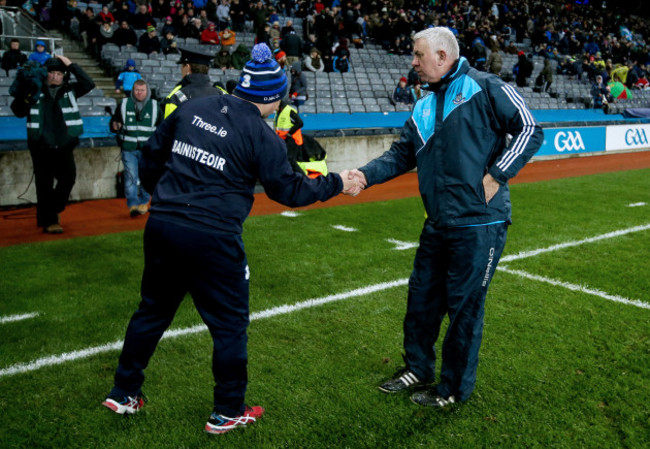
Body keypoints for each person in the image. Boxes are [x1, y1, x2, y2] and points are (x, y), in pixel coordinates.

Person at [102, 43, 359, 434]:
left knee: (152, 311)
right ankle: (227, 410)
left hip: (164, 225)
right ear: (272, 97)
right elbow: (288, 191)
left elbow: (152, 157)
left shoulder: (191, 107)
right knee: (229, 326)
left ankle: (123, 392)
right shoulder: (261, 134)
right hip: (213, 237)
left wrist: (165, 198)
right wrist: (338, 182)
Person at [345, 27, 543, 408]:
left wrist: (497, 174)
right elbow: (401, 154)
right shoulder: (422, 104)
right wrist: (365, 175)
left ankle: (452, 390)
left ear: (442, 55)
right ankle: (417, 368)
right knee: (421, 301)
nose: (413, 62)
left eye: (418, 55)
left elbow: (529, 129)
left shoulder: (485, 87)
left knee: (464, 311)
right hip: (438, 223)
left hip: (479, 224)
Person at [10, 55, 95, 234]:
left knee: (68, 179)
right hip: (40, 146)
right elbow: (17, 110)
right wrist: (27, 96)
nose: (55, 76)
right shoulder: (34, 90)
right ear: (44, 74)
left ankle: (49, 211)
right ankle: (49, 221)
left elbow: (89, 83)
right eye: (52, 73)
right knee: (44, 185)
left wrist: (70, 64)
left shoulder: (70, 90)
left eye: (59, 73)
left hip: (64, 144)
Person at [110, 79, 162, 217]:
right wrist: (115, 126)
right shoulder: (124, 104)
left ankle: (144, 202)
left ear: (147, 91)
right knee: (130, 177)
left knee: (146, 177)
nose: (139, 93)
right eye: (137, 90)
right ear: (133, 91)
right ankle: (132, 205)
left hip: (148, 151)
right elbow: (114, 121)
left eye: (142, 90)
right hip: (129, 148)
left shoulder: (156, 106)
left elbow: (162, 128)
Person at [163, 47, 223, 118]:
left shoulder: (178, 97)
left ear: (188, 67)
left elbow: (168, 126)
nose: (181, 69)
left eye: (182, 66)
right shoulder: (221, 95)